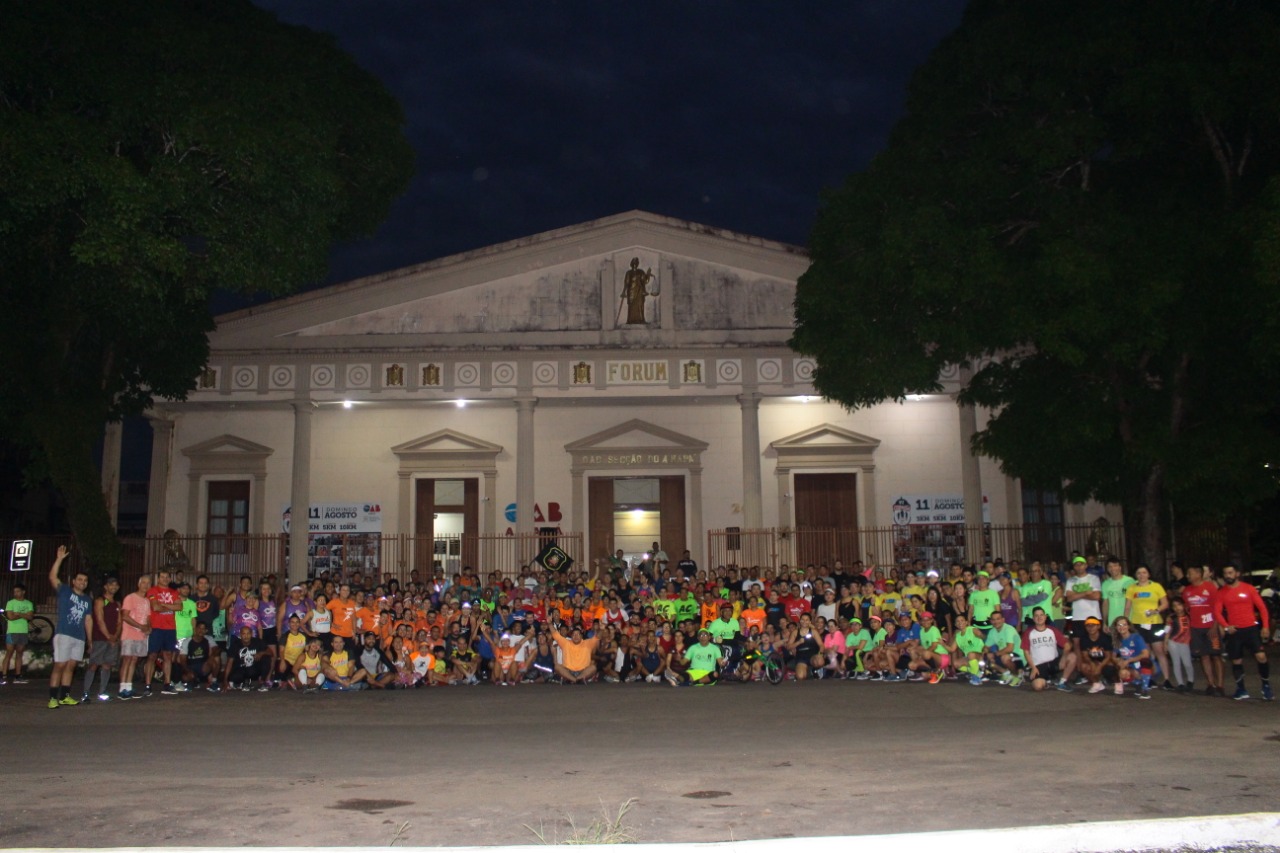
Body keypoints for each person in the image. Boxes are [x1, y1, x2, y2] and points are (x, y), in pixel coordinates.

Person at [1212, 564, 1272, 701]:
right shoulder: (1222, 592)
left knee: (1261, 656)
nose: (1228, 575)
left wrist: (1266, 627)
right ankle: (1241, 689)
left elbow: (1262, 608)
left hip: (1251, 628)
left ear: (1237, 574)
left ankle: (1266, 686)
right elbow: (1217, 612)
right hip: (1235, 631)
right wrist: (1226, 627)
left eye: (1230, 572)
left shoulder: (1248, 588)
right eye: (1226, 573)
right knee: (1236, 660)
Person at [47, 545, 92, 708]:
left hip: (78, 636)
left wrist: (90, 639)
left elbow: (88, 620)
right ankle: (53, 698)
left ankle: (65, 695)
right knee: (60, 664)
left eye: (85, 580)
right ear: (74, 581)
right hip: (64, 633)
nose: (83, 582)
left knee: (71, 665)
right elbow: (53, 577)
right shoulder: (66, 591)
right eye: (80, 579)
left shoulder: (87, 600)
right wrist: (59, 559)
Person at [1181, 565, 1225, 697]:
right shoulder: (1187, 591)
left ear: (1198, 574)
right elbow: (1186, 608)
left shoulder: (1210, 587)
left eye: (1190, 573)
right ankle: (1210, 684)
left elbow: (1218, 608)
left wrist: (1215, 625)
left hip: (1210, 626)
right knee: (1204, 656)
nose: (1188, 576)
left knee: (1216, 655)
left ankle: (1220, 685)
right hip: (1196, 628)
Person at [82, 576, 121, 702]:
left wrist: (115, 636)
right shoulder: (100, 600)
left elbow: (120, 622)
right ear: (106, 587)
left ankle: (102, 692)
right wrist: (108, 636)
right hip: (100, 638)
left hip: (113, 639)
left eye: (115, 585)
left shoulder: (117, 603)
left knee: (107, 665)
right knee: (94, 664)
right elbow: (99, 620)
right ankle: (86, 692)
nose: (113, 587)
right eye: (111, 584)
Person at [144, 569, 182, 695]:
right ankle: (148, 685)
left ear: (170, 579)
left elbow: (179, 607)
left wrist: (164, 605)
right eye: (162, 577)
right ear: (158, 579)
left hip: (170, 628)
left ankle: (167, 683)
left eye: (167, 577)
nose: (165, 579)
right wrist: (171, 606)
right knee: (152, 656)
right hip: (156, 627)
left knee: (168, 656)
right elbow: (154, 607)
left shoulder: (174, 592)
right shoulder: (153, 590)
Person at [1020, 607, 1075, 692]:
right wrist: (1033, 668)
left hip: (1053, 662)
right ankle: (1046, 680)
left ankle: (1062, 682)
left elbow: (1067, 645)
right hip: (1039, 665)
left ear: (1045, 617)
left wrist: (1064, 658)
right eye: (1036, 616)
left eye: (1041, 615)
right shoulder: (1028, 632)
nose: (1039, 618)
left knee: (1072, 657)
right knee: (1038, 687)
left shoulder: (1052, 630)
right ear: (1033, 618)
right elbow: (1026, 652)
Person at [118, 574, 151, 699]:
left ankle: (128, 687)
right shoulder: (130, 597)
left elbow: (148, 617)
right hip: (129, 634)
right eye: (143, 582)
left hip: (140, 635)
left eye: (148, 583)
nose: (146, 585)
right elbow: (125, 616)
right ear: (139, 584)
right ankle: (122, 689)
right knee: (127, 659)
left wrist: (148, 627)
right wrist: (140, 626)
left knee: (134, 660)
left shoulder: (147, 601)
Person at [3, 582, 35, 684]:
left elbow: (30, 617)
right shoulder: (10, 603)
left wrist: (18, 613)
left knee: (19, 654)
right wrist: (23, 615)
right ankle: (4, 676)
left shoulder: (28, 603)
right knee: (9, 652)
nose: (15, 593)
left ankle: (18, 676)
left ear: (23, 592)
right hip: (12, 631)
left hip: (23, 631)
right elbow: (10, 617)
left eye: (18, 591)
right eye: (14, 592)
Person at [1112, 617, 1152, 699]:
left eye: (1124, 624)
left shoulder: (1136, 637)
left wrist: (1129, 660)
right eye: (1119, 625)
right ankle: (1137, 685)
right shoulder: (1117, 640)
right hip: (1129, 666)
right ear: (1116, 627)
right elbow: (1113, 656)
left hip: (1141, 664)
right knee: (1122, 672)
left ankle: (1145, 689)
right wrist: (1118, 661)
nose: (1121, 627)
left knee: (1146, 661)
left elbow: (1146, 654)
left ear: (1129, 626)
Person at [1076, 617, 1117, 694]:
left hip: (1105, 661)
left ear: (1098, 626)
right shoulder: (1084, 639)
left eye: (1093, 625)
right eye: (1088, 626)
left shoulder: (1106, 638)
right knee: (1083, 666)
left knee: (1111, 666)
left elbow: (1108, 656)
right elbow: (1085, 655)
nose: (1090, 628)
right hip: (1093, 660)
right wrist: (1092, 663)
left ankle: (1115, 680)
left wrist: (1100, 666)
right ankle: (1096, 683)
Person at [223, 626, 271, 691]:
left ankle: (262, 682)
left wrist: (261, 653)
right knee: (235, 677)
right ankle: (244, 682)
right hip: (241, 669)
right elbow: (229, 662)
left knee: (266, 658)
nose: (246, 636)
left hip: (254, 668)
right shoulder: (235, 644)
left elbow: (271, 652)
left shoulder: (258, 642)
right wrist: (225, 680)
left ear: (251, 634)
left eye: (248, 633)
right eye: (244, 634)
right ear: (240, 635)